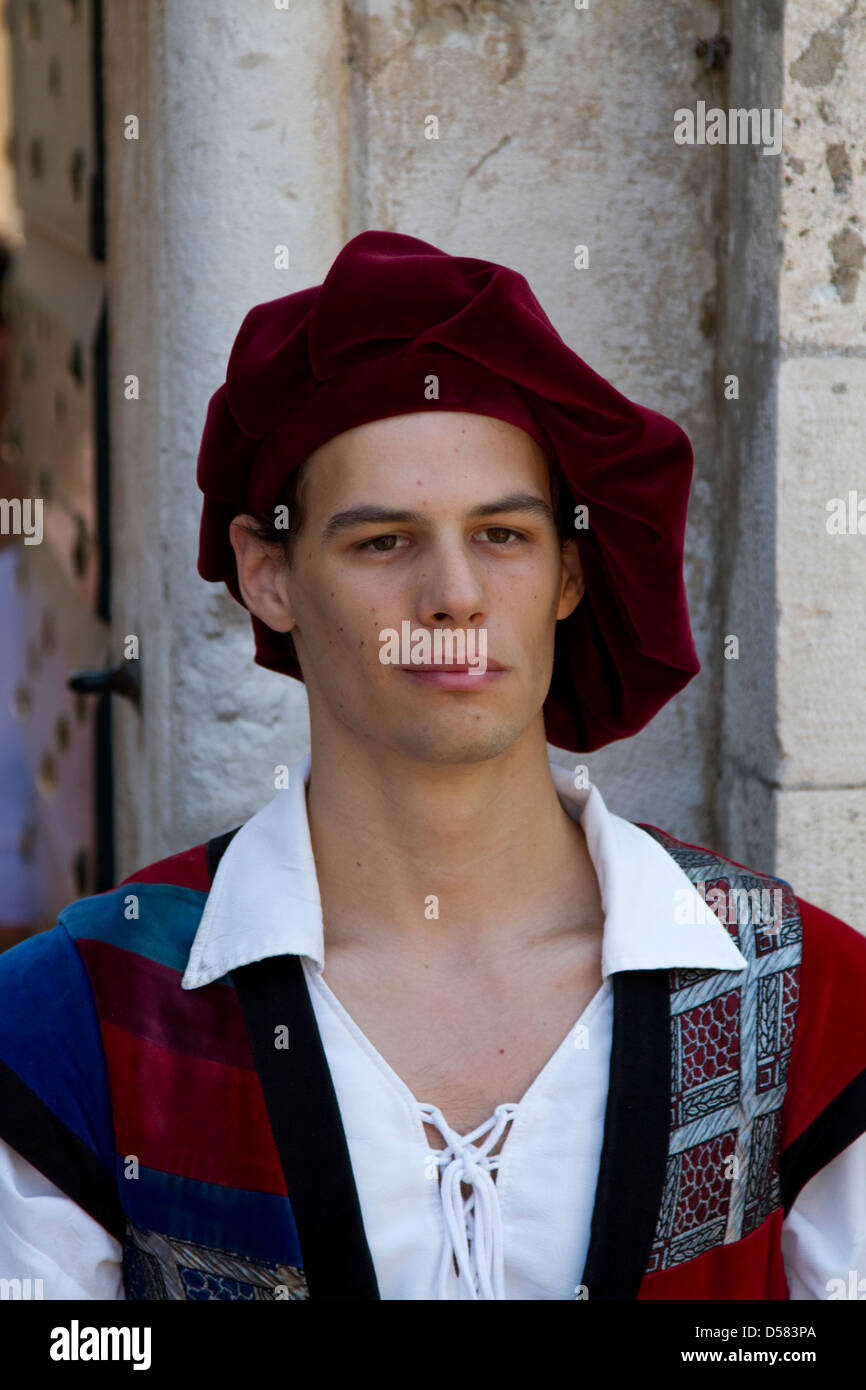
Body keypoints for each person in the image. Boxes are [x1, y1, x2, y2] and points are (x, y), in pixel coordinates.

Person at [0, 230, 864, 1301]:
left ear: (566, 575)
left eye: (501, 534)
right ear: (267, 576)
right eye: (382, 541)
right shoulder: (86, 1014)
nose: (452, 594)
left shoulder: (808, 998)